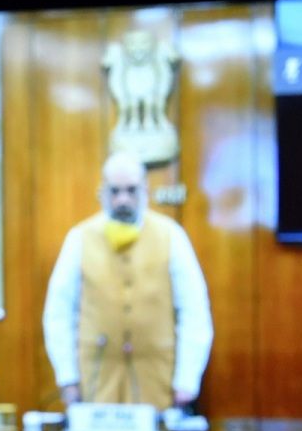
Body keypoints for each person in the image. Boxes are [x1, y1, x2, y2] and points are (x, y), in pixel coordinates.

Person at [43, 152, 213, 410]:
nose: (123, 199)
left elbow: (194, 311)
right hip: (96, 382)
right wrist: (67, 379)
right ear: (102, 193)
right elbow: (58, 314)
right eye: (115, 191)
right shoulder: (79, 238)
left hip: (158, 381)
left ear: (145, 190)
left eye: (131, 190)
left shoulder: (172, 236)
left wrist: (187, 380)